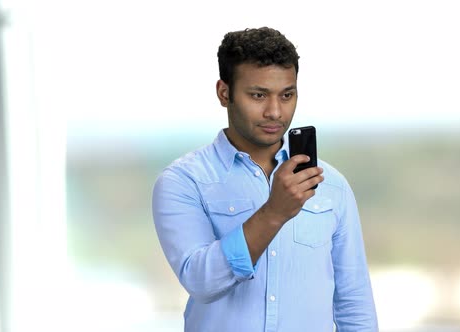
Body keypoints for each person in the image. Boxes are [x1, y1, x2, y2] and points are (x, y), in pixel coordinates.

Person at [152, 27, 378, 332]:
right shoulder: (183, 181)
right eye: (258, 95)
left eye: (287, 95)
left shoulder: (332, 185)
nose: (275, 112)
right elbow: (201, 281)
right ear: (224, 92)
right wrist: (274, 212)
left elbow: (354, 303)